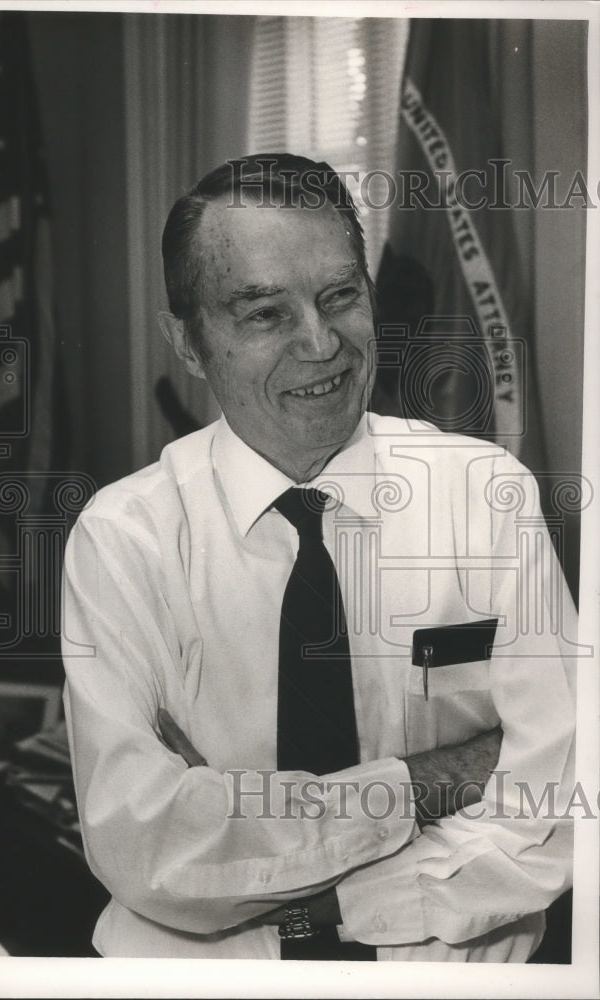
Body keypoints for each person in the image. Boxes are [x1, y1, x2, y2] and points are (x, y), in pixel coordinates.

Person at [61, 154, 577, 961]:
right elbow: (150, 850)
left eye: (340, 296)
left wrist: (275, 860)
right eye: (264, 314)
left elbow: (563, 799)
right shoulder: (125, 537)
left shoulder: (486, 494)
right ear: (188, 344)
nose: (321, 343)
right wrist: (440, 778)